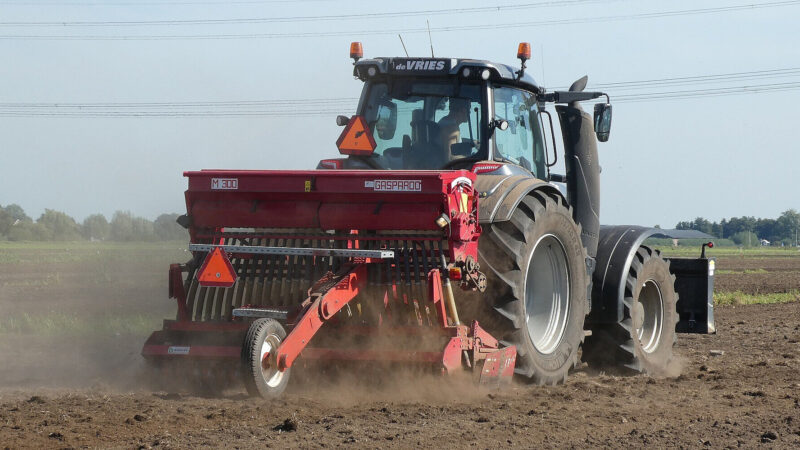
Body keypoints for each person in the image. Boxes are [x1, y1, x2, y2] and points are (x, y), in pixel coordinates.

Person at [436, 97, 471, 163]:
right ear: (463, 110)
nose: (470, 113)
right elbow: (450, 158)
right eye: (469, 110)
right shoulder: (452, 129)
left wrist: (472, 141)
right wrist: (473, 158)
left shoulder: (445, 121)